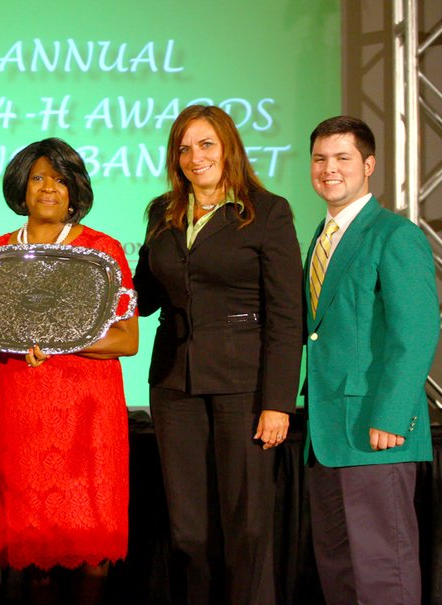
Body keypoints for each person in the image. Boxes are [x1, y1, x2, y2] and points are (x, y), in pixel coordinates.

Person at [0, 138, 138, 604]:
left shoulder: (102, 250)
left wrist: (55, 340)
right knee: (34, 564)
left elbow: (127, 340)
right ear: (21, 188)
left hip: (89, 424)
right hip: (24, 422)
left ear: (75, 190)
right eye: (37, 178)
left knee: (92, 558)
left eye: (59, 179)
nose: (48, 188)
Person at [133, 105, 303, 604]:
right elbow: (143, 298)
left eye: (205, 144)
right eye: (184, 148)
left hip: (244, 388)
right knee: (189, 533)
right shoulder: (162, 213)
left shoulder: (267, 211)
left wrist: (278, 402)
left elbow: (286, 315)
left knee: (246, 529)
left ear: (228, 146)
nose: (194, 157)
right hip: (173, 387)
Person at [303, 116, 438, 604]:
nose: (329, 169)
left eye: (342, 158)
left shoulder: (394, 234)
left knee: (384, 571)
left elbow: (417, 330)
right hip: (329, 435)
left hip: (376, 432)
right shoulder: (321, 235)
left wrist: (390, 414)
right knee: (340, 573)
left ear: (369, 165)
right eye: (320, 159)